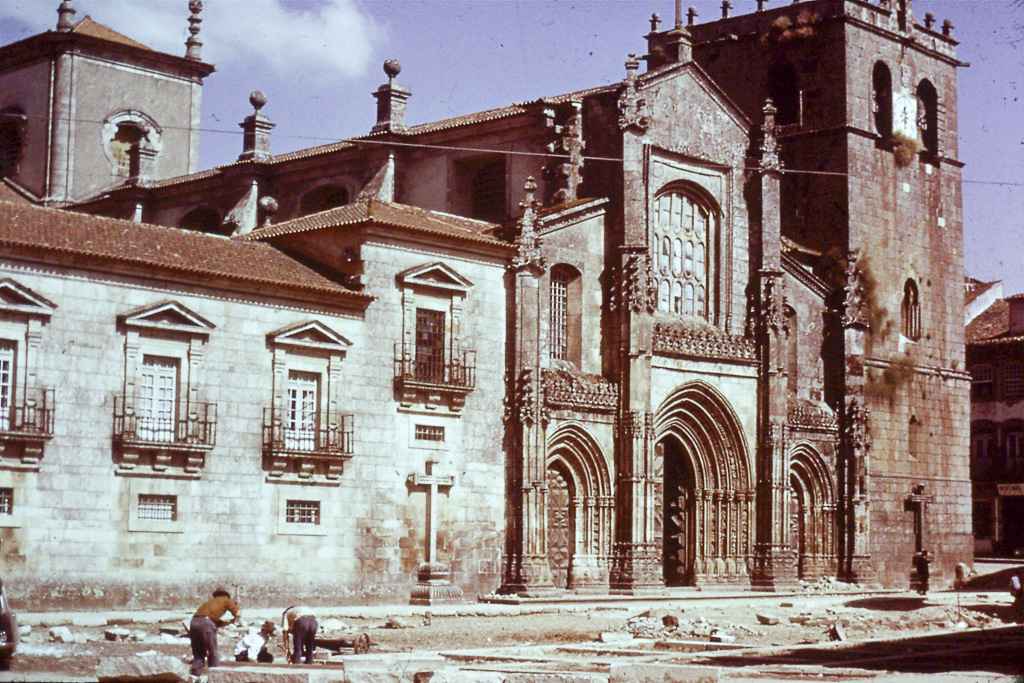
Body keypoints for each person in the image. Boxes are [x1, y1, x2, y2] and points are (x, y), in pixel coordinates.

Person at [189, 586, 240, 675]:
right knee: (213, 651)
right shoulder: (226, 600)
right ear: (226, 595)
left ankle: (194, 675)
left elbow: (209, 620)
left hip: (194, 622)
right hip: (206, 623)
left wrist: (228, 622)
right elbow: (236, 612)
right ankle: (215, 675)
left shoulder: (209, 603)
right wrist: (237, 615)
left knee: (198, 654)